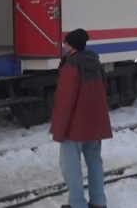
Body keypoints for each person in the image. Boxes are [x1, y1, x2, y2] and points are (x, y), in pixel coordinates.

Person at [50, 28, 112, 208]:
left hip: (75, 126)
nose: (64, 46)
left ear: (71, 46)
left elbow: (65, 100)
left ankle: (77, 204)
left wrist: (59, 130)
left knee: (71, 167)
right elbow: (103, 89)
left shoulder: (71, 66)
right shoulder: (94, 62)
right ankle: (99, 201)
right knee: (94, 162)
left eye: (66, 43)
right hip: (94, 123)